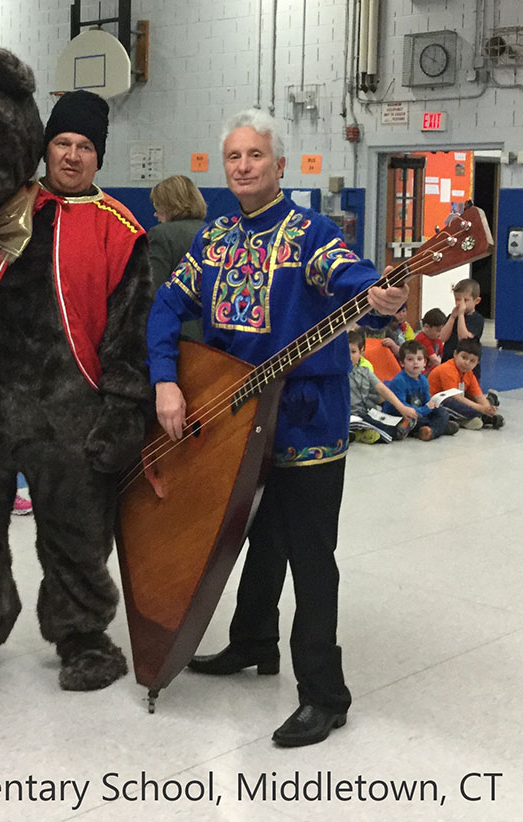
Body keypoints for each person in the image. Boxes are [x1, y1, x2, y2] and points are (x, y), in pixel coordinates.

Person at [146, 109, 408, 747]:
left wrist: (381, 296)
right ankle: (253, 641)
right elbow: (166, 304)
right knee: (254, 534)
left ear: (280, 165)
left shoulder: (311, 234)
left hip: (306, 420)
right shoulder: (214, 240)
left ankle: (325, 694)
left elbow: (352, 277)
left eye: (254, 156)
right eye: (233, 156)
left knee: (311, 558)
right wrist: (165, 377)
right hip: (234, 418)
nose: (242, 166)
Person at [0, 89, 152, 695]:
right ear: (43, 147)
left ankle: (81, 635)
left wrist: (123, 410)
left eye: (85, 148)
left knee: (76, 532)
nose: (72, 157)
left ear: (100, 157)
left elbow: (131, 332)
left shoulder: (121, 230)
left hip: (70, 408)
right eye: (62, 144)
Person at [147, 175, 208, 341]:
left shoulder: (161, 235)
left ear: (169, 206)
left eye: (157, 207)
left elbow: (153, 290)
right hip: (209, 334)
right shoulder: (211, 232)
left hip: (177, 335)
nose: (155, 214)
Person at [382, 340, 459, 440]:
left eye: (419, 359)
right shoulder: (399, 381)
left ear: (424, 362)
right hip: (400, 415)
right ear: (402, 363)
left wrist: (433, 404)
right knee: (414, 419)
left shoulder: (423, 380)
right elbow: (402, 407)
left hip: (419, 412)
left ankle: (430, 430)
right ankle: (440, 428)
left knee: (443, 412)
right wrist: (425, 409)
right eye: (410, 359)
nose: (415, 362)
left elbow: (426, 401)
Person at [348, 330, 416, 443]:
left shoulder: (365, 371)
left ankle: (363, 432)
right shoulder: (337, 374)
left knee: (389, 417)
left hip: (366, 412)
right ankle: (361, 434)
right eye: (345, 351)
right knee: (386, 431)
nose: (348, 356)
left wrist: (402, 408)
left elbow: (382, 389)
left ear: (361, 353)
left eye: (353, 352)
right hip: (349, 416)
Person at [427, 338, 503, 430]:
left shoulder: (469, 374)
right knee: (451, 404)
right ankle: (477, 417)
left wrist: (488, 408)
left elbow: (478, 396)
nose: (467, 363)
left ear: (477, 363)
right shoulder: (447, 369)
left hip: (458, 401)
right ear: (455, 354)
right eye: (464, 357)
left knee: (474, 402)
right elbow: (456, 397)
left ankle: (479, 416)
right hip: (436, 403)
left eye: (472, 361)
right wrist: (480, 408)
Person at [440, 278, 484, 381]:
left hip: (468, 366)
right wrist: (452, 318)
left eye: (465, 300)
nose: (460, 304)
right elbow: (442, 337)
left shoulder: (477, 319)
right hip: (449, 360)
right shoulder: (452, 316)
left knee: (468, 392)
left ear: (476, 301)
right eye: (457, 299)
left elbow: (464, 339)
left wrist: (460, 315)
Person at [414, 307, 446, 375]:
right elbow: (434, 360)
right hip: (419, 372)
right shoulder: (422, 338)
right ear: (426, 327)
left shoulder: (437, 339)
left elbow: (444, 354)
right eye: (438, 330)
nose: (440, 333)